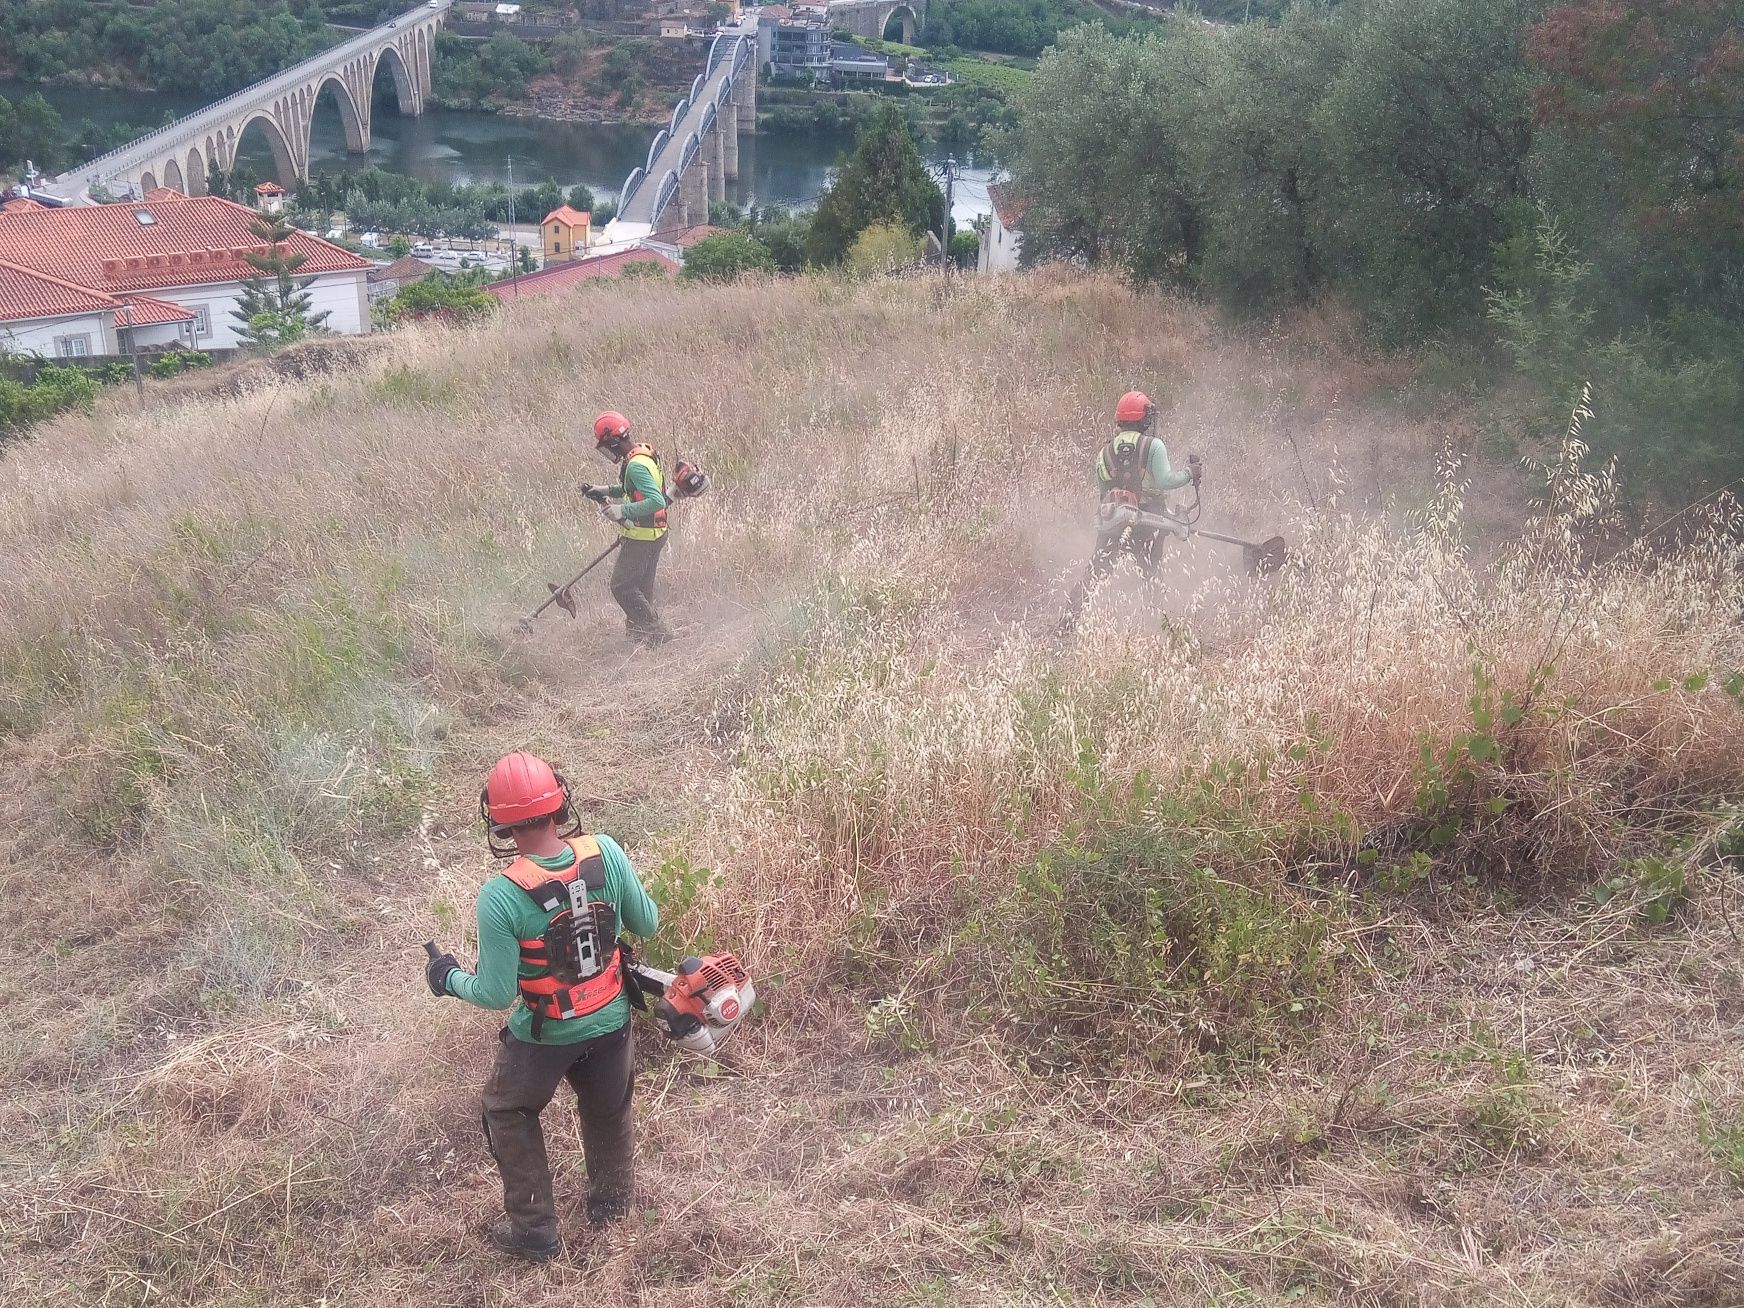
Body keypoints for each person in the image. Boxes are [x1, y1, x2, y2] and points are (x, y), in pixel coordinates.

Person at [425, 751, 660, 1262]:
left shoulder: (501, 896)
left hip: (544, 1035)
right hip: (612, 1020)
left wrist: (448, 978)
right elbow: (647, 923)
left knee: (507, 1109)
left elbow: (493, 993)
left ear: (501, 826)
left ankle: (534, 1232)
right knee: (608, 1110)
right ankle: (613, 1206)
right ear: (560, 803)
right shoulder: (608, 853)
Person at [1061, 390, 1203, 630]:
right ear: (1144, 419)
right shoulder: (1153, 446)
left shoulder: (1104, 453)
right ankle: (1158, 626)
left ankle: (1067, 623)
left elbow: (1102, 490)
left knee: (1095, 571)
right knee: (1150, 572)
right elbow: (1165, 481)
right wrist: (1191, 473)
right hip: (1149, 520)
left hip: (1112, 520)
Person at [581, 411, 674, 646]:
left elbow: (656, 501)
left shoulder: (635, 466)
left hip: (642, 537)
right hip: (656, 532)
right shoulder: (641, 454)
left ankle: (657, 634)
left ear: (613, 441)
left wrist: (621, 511)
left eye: (605, 446)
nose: (606, 451)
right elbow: (631, 490)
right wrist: (602, 490)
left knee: (621, 587)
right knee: (641, 589)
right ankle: (639, 639)